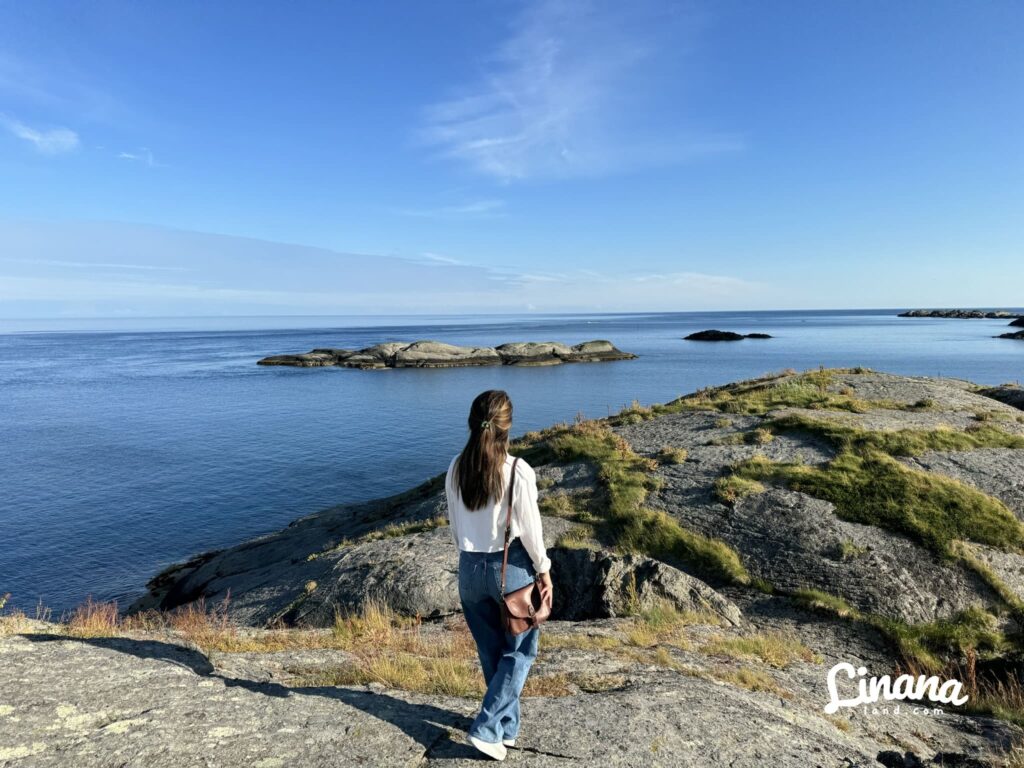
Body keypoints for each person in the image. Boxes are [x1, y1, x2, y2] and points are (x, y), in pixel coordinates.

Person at [444, 389, 554, 762]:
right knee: (521, 652)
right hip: (510, 570)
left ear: (472, 424)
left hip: (468, 570)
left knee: (492, 653)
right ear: (508, 427)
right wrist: (544, 570)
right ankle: (488, 728)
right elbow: (532, 530)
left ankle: (506, 729)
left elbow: (456, 529)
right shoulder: (518, 470)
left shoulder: (455, 468)